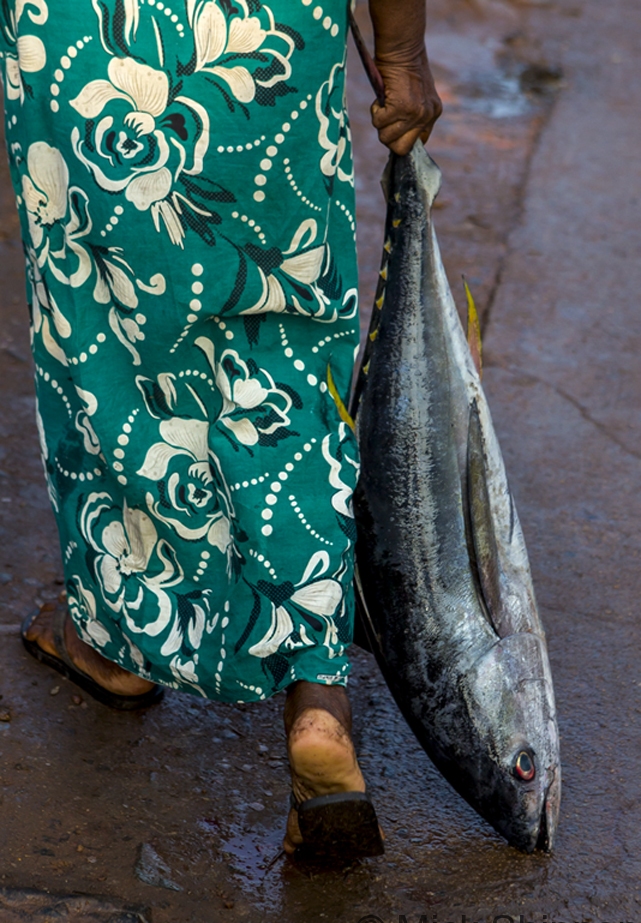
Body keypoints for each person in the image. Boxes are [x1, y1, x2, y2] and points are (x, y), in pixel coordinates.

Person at [1, 0, 441, 858]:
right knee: (283, 342)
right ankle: (317, 701)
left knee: (104, 328)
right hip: (259, 43)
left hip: (79, 39)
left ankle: (122, 636)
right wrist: (402, 51)